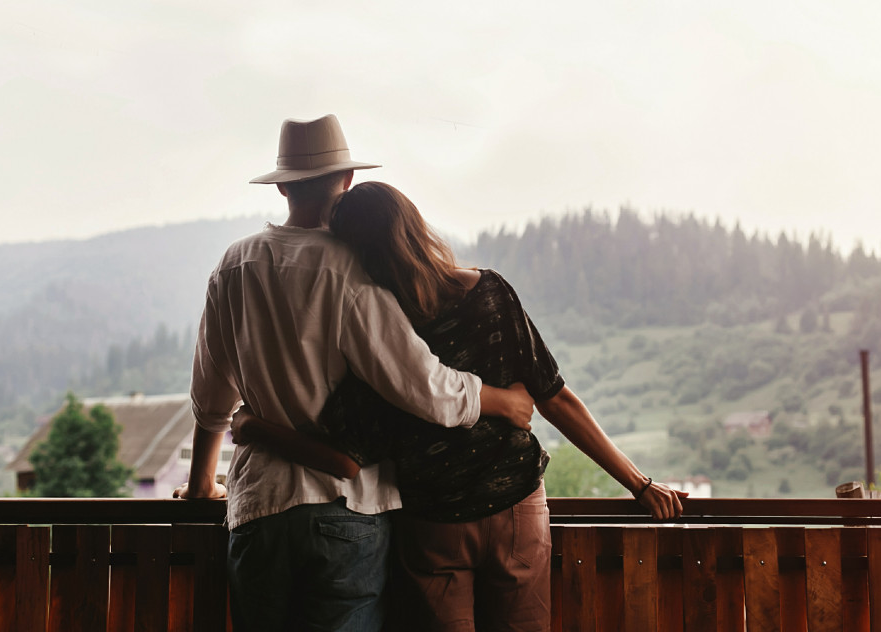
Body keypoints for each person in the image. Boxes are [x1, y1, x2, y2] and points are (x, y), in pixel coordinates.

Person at [234, 181, 686, 632]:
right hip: (515, 508)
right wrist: (639, 485)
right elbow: (555, 398)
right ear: (412, 225)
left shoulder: (380, 336)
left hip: (435, 526)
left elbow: (344, 458)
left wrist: (253, 427)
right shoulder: (489, 293)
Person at [173, 116, 534, 632]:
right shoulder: (353, 269)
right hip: (348, 506)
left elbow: (210, 401)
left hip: (258, 508)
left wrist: (203, 486)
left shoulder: (232, 266)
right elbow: (425, 389)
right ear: (344, 183)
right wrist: (501, 400)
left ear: (281, 185)